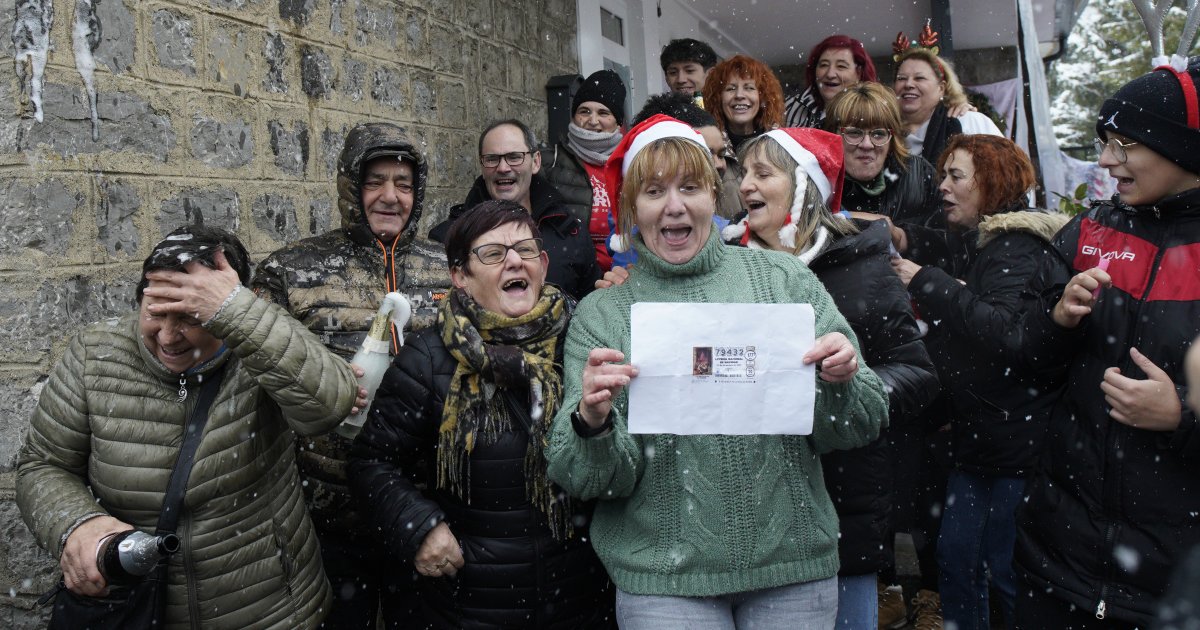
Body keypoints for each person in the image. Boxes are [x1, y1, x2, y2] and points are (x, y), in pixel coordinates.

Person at [545, 114, 888, 628]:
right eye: (654, 191)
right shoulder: (605, 314)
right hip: (664, 582)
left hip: (792, 568)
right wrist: (591, 423)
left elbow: (859, 425)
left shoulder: (783, 280)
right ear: (631, 208)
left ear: (713, 194)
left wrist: (842, 381)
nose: (674, 206)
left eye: (689, 187)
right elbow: (590, 478)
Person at [16, 225, 360, 628]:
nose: (167, 337)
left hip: (270, 610)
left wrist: (240, 311)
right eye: (155, 312)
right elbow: (44, 464)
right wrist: (76, 525)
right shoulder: (94, 355)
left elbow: (329, 407)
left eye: (189, 317)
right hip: (137, 611)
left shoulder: (260, 346)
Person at [349, 200, 615, 629]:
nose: (514, 261)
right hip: (472, 603)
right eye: (493, 253)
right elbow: (372, 463)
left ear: (543, 265)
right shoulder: (428, 359)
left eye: (525, 250)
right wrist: (419, 526)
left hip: (581, 598)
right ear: (460, 276)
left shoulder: (583, 338)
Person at [723, 127, 939, 630]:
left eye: (763, 173)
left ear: (803, 186)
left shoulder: (859, 267)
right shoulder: (724, 262)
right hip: (745, 506)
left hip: (842, 504)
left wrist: (853, 384)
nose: (746, 185)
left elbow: (918, 373)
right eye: (744, 173)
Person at [1012, 57, 1200, 629]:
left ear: (1181, 150)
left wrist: (1182, 419)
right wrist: (1055, 320)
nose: (1105, 161)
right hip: (1058, 561)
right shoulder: (1090, 231)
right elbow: (1021, 362)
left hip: (1173, 588)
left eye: (1124, 145)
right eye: (1104, 143)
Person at [250, 122, 449, 628]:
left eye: (403, 184)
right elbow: (258, 373)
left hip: (425, 506)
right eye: (375, 182)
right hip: (329, 510)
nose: (390, 196)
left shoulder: (449, 268)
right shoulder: (292, 270)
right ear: (350, 188)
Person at [890, 135, 1067, 630]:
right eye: (942, 175)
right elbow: (938, 247)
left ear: (991, 183)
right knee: (959, 563)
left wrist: (926, 281)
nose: (942, 186)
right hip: (982, 438)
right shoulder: (982, 241)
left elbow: (1007, 332)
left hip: (1012, 445)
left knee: (998, 573)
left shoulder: (1017, 247)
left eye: (956, 176)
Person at [430, 119, 600, 301]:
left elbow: (591, 304)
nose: (503, 168)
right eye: (492, 159)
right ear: (482, 166)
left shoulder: (569, 231)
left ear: (535, 162)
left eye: (514, 157)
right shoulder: (449, 237)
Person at [540, 69, 626, 271]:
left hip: (625, 274)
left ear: (618, 121)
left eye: (603, 113)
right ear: (573, 116)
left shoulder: (630, 162)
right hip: (572, 274)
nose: (593, 121)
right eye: (584, 111)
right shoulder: (549, 160)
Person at [893, 46, 1001, 162]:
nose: (908, 84)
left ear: (941, 88)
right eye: (901, 78)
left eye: (919, 78)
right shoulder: (886, 131)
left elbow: (1005, 167)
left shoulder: (968, 122)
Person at [783, 35, 878, 129]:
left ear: (859, 73)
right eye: (824, 65)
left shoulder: (875, 113)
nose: (830, 74)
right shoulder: (789, 107)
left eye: (841, 66)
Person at [702, 54, 785, 153]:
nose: (739, 95)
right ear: (718, 98)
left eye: (749, 88)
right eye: (730, 89)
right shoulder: (705, 143)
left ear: (762, 96)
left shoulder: (780, 145)